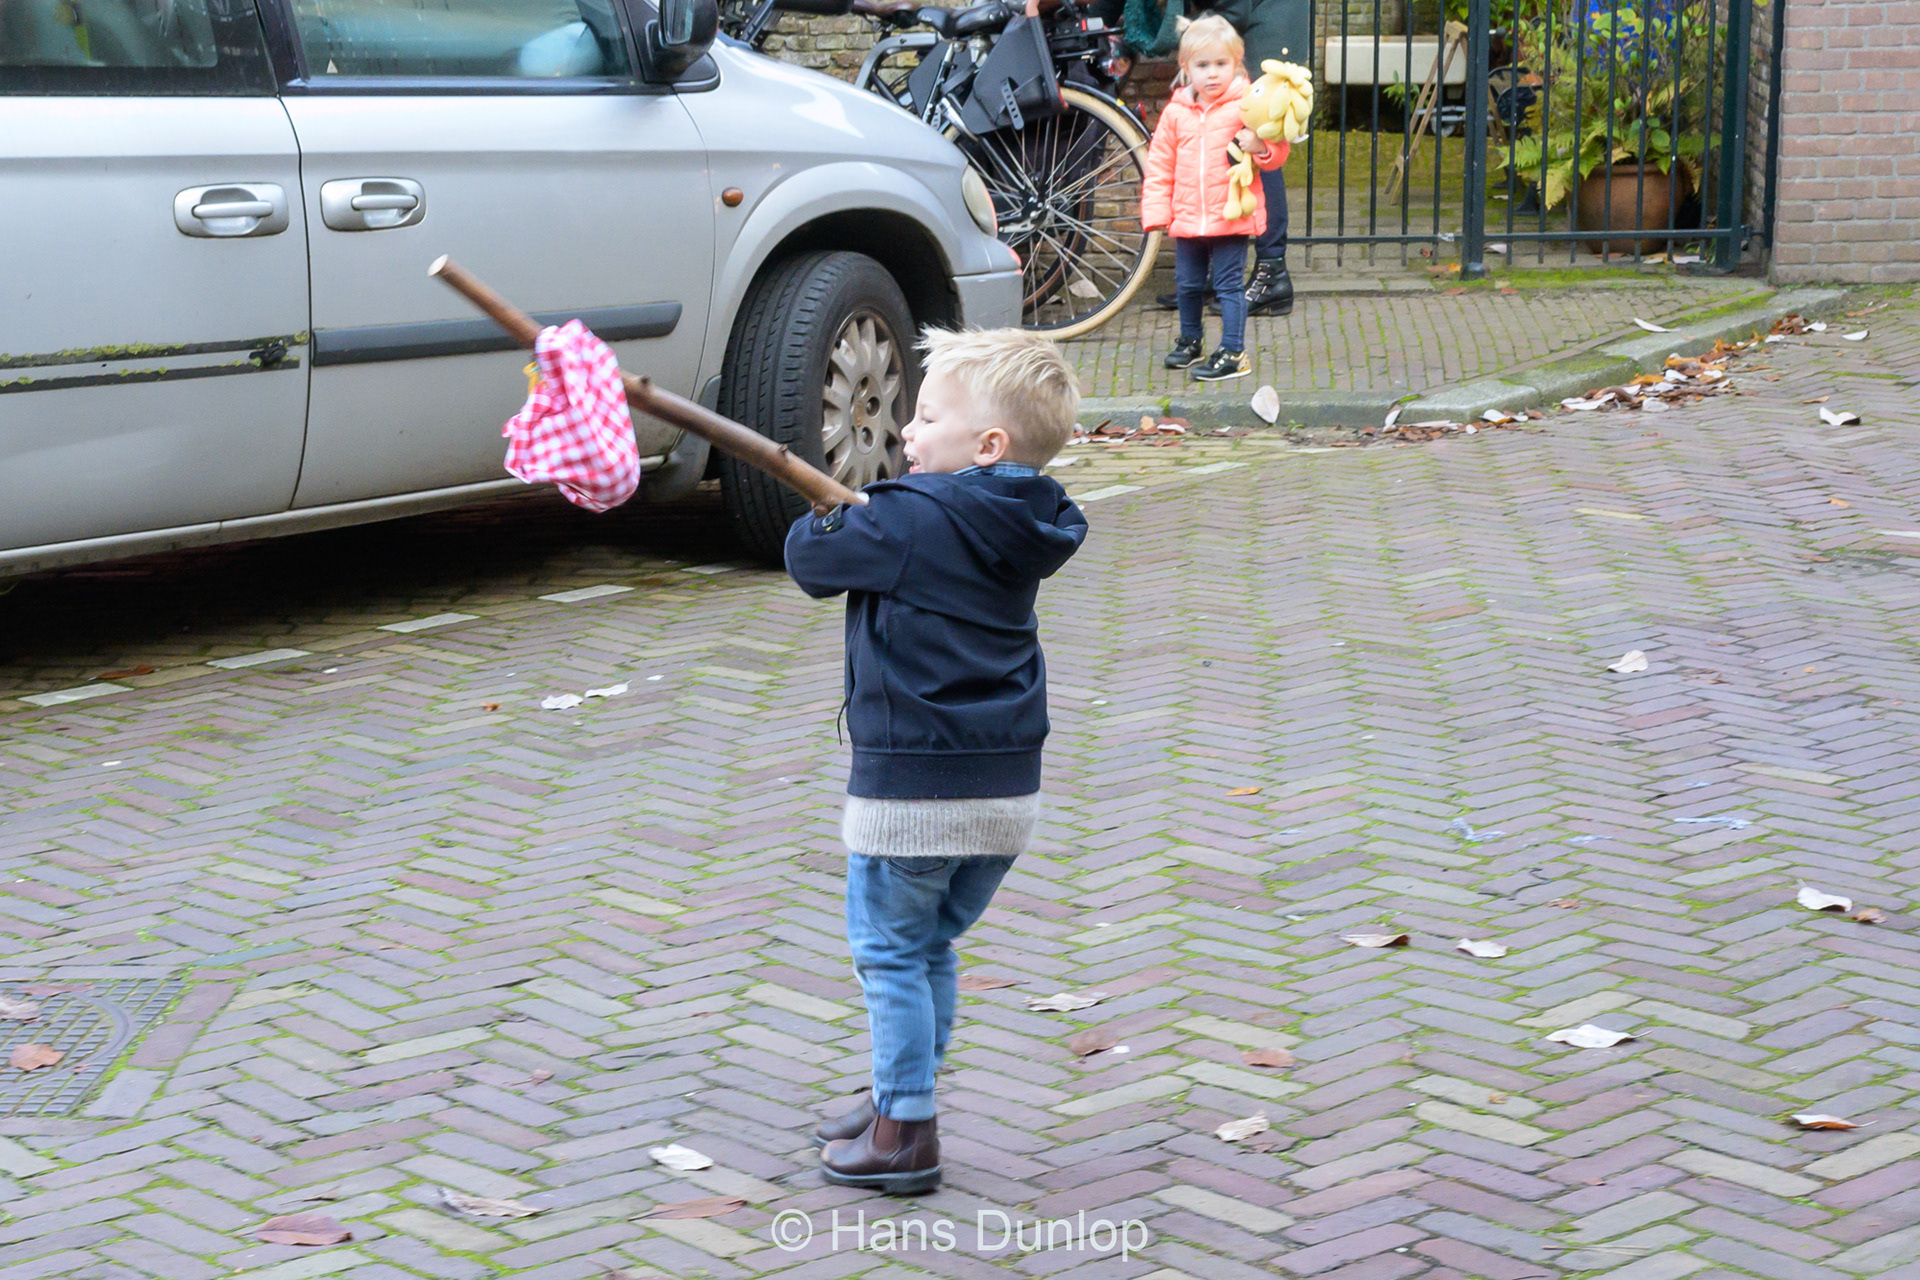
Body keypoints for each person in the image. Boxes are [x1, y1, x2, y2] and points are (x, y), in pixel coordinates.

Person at [785, 327, 1088, 1195]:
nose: (907, 434)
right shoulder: (1027, 520)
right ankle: (895, 1095)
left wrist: (830, 507)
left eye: (925, 417)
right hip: (1005, 793)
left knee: (887, 951)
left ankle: (906, 1131)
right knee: (928, 948)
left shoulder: (909, 518)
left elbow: (808, 560)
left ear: (986, 445)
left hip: (915, 790)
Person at [1140, 14, 1289, 382]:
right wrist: (1157, 212)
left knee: (1228, 287)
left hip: (1230, 215)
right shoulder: (1175, 113)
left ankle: (1234, 352)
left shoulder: (1246, 107)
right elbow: (1160, 166)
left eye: (1221, 64)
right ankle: (1191, 340)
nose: (1212, 74)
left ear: (1236, 64)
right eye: (1202, 65)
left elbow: (1278, 151)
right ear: (1185, 67)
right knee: (1187, 284)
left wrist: (1261, 146)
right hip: (1188, 217)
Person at [1211, 0, 1309, 314]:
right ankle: (1214, 278)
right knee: (1239, 148)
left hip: (1268, 26)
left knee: (1261, 150)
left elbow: (1235, 9)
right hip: (1263, 20)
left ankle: (1273, 273)